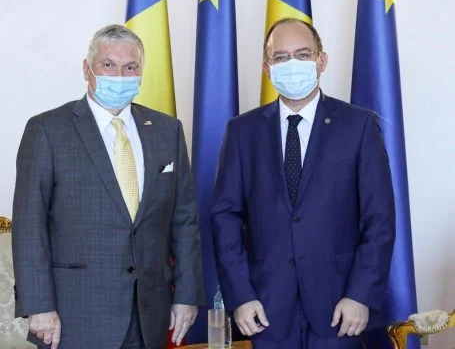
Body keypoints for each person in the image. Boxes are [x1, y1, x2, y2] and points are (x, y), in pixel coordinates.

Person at [12, 24, 204, 349]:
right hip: (74, 315)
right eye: (108, 65)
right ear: (87, 69)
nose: (119, 75)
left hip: (149, 313)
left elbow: (184, 220)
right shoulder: (47, 130)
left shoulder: (167, 130)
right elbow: (30, 225)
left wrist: (186, 295)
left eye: (130, 67)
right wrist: (39, 306)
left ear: (141, 73)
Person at [211, 18, 396, 349]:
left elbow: (379, 219)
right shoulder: (242, 132)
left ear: (321, 61)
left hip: (340, 307)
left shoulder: (358, 126)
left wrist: (360, 294)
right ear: (267, 67)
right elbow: (225, 218)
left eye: (303, 54)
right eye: (281, 57)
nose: (292, 64)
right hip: (264, 309)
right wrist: (240, 295)